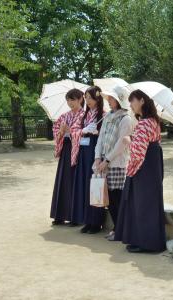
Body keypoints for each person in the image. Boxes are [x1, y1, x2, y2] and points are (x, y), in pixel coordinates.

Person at [114, 89, 166, 253]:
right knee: (149, 202)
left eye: (132, 101)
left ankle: (145, 243)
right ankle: (150, 241)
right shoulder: (154, 121)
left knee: (142, 203)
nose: (131, 105)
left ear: (142, 100)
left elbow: (137, 152)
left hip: (143, 166)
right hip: (153, 164)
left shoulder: (144, 123)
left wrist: (129, 139)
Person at [94, 85, 133, 241]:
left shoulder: (126, 119)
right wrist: (98, 158)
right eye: (108, 98)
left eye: (111, 98)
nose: (109, 101)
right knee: (109, 198)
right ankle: (117, 228)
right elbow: (100, 138)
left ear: (119, 100)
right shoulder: (108, 117)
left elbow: (121, 143)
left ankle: (120, 229)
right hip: (103, 161)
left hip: (116, 163)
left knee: (117, 197)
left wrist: (107, 160)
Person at [71, 86, 105, 233]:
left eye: (91, 97)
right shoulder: (84, 115)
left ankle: (96, 222)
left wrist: (97, 132)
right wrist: (83, 130)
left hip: (95, 152)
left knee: (95, 185)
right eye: (86, 98)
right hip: (83, 152)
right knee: (84, 185)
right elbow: (74, 131)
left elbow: (106, 136)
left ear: (98, 98)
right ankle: (87, 220)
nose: (88, 100)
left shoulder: (103, 115)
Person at [50, 89, 85, 226]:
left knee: (75, 182)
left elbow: (84, 132)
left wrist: (70, 131)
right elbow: (56, 131)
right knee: (63, 181)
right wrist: (61, 132)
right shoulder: (64, 116)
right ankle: (60, 214)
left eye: (73, 99)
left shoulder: (84, 115)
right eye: (68, 100)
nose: (70, 103)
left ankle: (74, 216)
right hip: (66, 149)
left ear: (80, 99)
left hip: (78, 150)